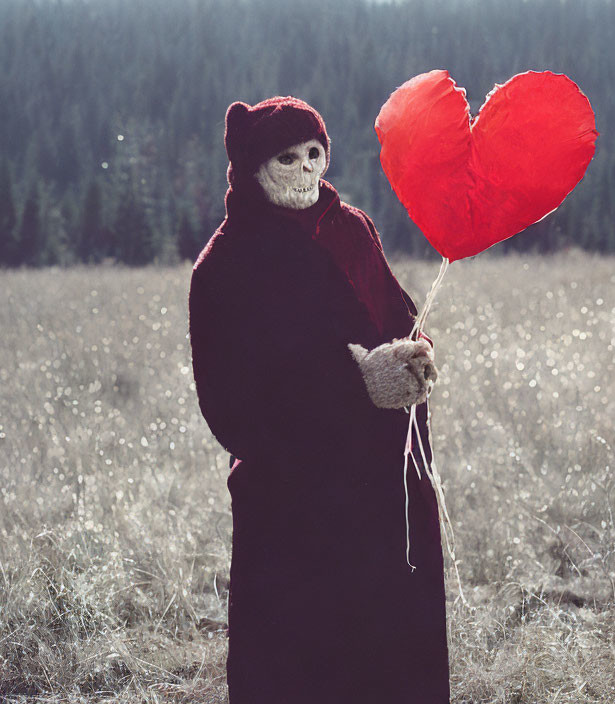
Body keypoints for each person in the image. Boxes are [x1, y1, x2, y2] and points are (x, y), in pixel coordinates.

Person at [188, 96, 450, 703]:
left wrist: (415, 355)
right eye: (287, 156)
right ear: (250, 166)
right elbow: (229, 401)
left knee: (387, 655)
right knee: (298, 663)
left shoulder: (351, 228)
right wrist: (357, 383)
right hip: (292, 504)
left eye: (315, 153)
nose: (306, 168)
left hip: (385, 489)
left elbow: (397, 315)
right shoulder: (224, 266)